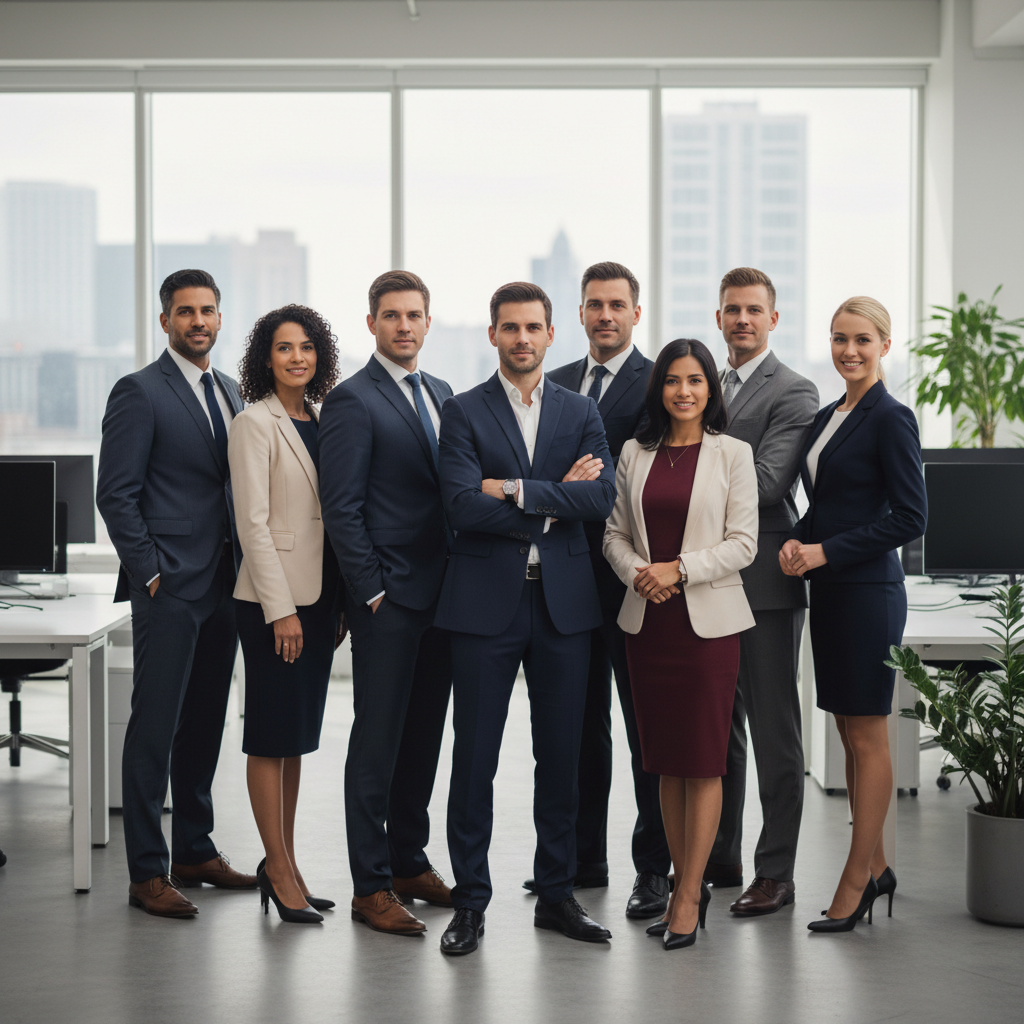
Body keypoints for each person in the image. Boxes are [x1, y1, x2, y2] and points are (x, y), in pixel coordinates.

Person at [435, 281, 617, 956]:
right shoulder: (463, 412)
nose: (522, 338)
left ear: (550, 334)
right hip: (485, 607)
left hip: (564, 607)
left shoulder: (579, 410)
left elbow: (599, 496)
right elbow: (459, 505)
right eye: (510, 328)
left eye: (533, 327)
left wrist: (510, 490)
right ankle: (470, 903)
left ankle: (557, 894)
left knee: (561, 758)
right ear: (493, 335)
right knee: (474, 759)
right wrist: (553, 497)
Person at [97, 269, 256, 918]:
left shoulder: (232, 391)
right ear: (165, 321)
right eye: (186, 312)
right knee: (155, 728)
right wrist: (151, 573)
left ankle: (194, 848)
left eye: (209, 311)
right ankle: (147, 872)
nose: (198, 321)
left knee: (204, 724)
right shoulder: (139, 392)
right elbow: (117, 493)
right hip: (171, 587)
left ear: (221, 319)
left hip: (225, 582)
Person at [603, 338, 758, 951]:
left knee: (703, 761)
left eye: (695, 380)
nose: (684, 391)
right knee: (663, 762)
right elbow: (613, 533)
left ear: (710, 390)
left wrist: (679, 569)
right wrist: (638, 571)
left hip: (707, 628)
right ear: (659, 389)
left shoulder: (733, 454)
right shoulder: (635, 454)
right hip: (648, 624)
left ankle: (691, 895)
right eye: (672, 380)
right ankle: (673, 885)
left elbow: (743, 543)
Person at [780, 296, 926, 933]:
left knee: (868, 739)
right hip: (832, 593)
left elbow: (908, 517)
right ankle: (881, 866)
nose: (849, 351)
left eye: (863, 340)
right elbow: (834, 503)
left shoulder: (892, 418)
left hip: (868, 594)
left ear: (885, 345)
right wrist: (799, 538)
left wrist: (824, 550)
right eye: (840, 339)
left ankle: (854, 880)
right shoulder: (827, 417)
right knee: (847, 733)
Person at [319, 270, 454, 936]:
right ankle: (370, 886)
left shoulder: (442, 393)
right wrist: (370, 590)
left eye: (415, 315)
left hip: (443, 602)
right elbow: (340, 508)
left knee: (423, 738)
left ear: (429, 323)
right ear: (372, 323)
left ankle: (408, 860)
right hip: (389, 602)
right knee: (376, 745)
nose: (404, 326)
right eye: (392, 315)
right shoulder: (352, 401)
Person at [542, 262, 668, 919]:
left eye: (617, 304)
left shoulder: (660, 385)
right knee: (577, 728)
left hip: (636, 580)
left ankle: (654, 869)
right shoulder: (555, 383)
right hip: (566, 584)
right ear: (582, 312)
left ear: (635, 313)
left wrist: (574, 487)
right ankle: (580, 858)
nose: (606, 315)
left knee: (644, 730)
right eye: (595, 305)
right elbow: (538, 475)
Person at [707, 267, 820, 916]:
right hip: (710, 579)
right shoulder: (712, 383)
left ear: (773, 319)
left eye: (754, 310)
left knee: (774, 730)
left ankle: (775, 872)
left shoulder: (794, 391)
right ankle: (720, 857)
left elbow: (771, 481)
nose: (742, 319)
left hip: (765, 586)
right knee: (720, 729)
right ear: (718, 319)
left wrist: (681, 471)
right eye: (731, 310)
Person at [229, 304, 342, 924]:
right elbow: (252, 524)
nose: (297, 357)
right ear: (265, 359)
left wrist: (334, 602)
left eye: (306, 347)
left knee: (294, 740)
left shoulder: (322, 420)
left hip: (319, 599)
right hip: (276, 605)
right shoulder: (255, 423)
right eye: (283, 348)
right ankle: (274, 866)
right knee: (270, 736)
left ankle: (289, 863)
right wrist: (281, 611)